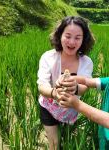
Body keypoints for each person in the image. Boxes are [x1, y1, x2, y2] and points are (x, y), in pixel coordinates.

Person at [37, 16, 95, 150]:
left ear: (83, 40)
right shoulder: (48, 57)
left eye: (77, 37)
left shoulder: (86, 62)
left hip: (71, 109)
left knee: (67, 141)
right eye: (67, 36)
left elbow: (84, 87)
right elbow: (42, 85)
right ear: (60, 35)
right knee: (55, 144)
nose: (72, 42)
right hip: (48, 106)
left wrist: (75, 88)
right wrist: (54, 93)